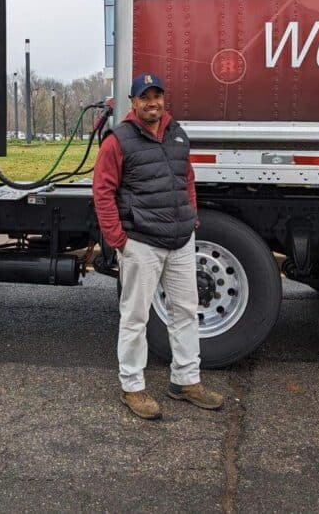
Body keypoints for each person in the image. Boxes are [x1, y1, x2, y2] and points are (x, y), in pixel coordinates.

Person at [93, 73, 224, 420]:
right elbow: (102, 192)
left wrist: (191, 216)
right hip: (142, 242)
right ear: (133, 103)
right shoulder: (118, 141)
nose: (153, 103)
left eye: (157, 96)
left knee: (185, 312)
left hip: (180, 239)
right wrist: (119, 240)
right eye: (144, 97)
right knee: (135, 317)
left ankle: (185, 381)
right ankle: (132, 387)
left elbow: (187, 178)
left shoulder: (177, 134)